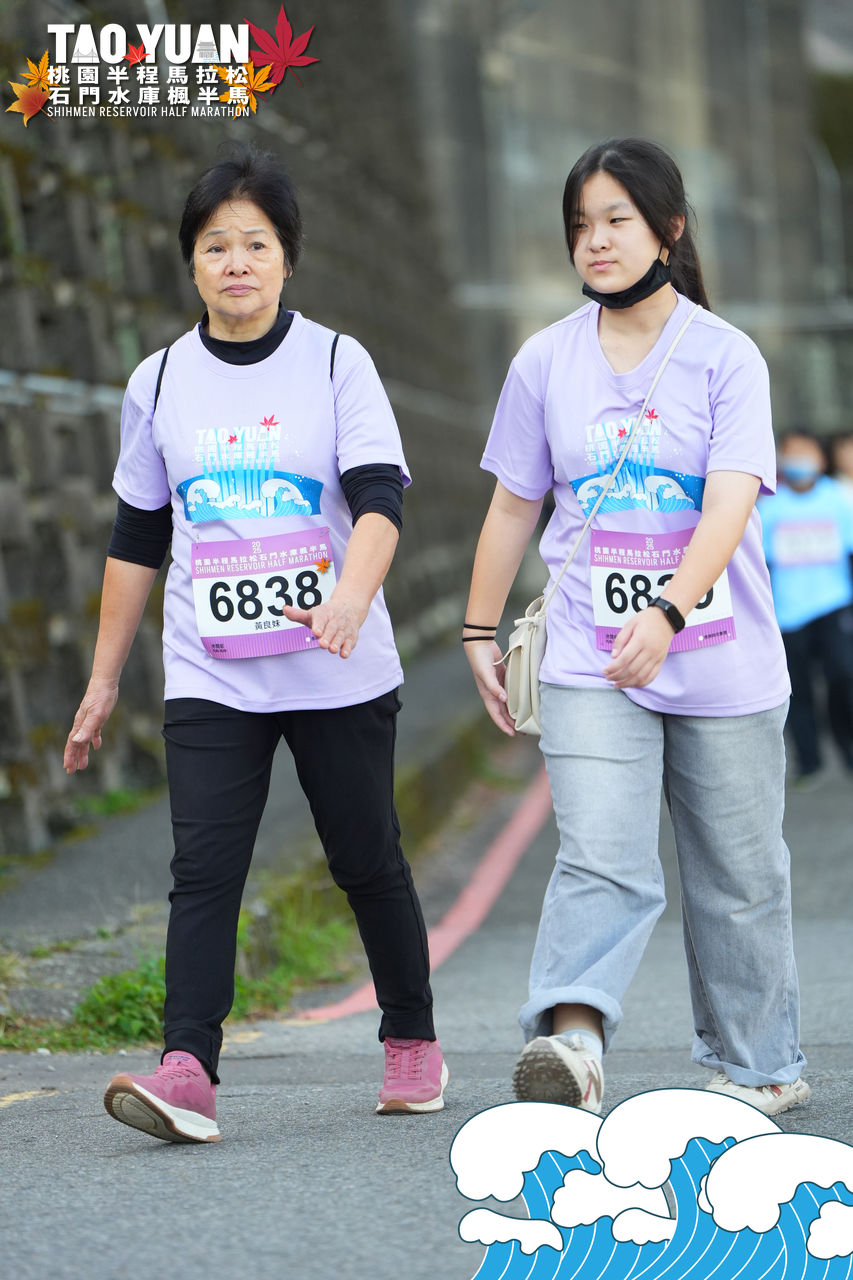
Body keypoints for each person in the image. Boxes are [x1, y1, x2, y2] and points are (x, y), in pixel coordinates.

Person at [63, 143, 447, 1143]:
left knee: (365, 858)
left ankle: (411, 1036)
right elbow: (137, 536)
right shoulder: (157, 381)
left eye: (256, 244)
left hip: (333, 664)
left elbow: (379, 496)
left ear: (287, 257)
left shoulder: (335, 362)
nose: (236, 262)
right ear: (191, 261)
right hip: (212, 669)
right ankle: (187, 1065)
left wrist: (351, 597)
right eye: (215, 245)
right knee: (203, 866)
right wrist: (104, 679)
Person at [464, 137, 809, 1117]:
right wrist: (478, 631)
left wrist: (665, 610)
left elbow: (729, 502)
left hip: (720, 657)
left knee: (739, 874)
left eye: (616, 218)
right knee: (600, 857)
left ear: (668, 227)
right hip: (589, 655)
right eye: (580, 224)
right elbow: (512, 504)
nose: (596, 240)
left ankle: (758, 1065)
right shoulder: (544, 360)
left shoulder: (724, 356)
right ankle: (571, 1046)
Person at [760, 430, 853, 785]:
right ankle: (809, 762)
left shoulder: (839, 499)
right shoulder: (770, 507)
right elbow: (762, 563)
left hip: (834, 606)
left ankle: (848, 751)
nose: (799, 459)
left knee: (843, 677)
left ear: (820, 458)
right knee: (796, 689)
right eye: (792, 452)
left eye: (806, 451)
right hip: (788, 613)